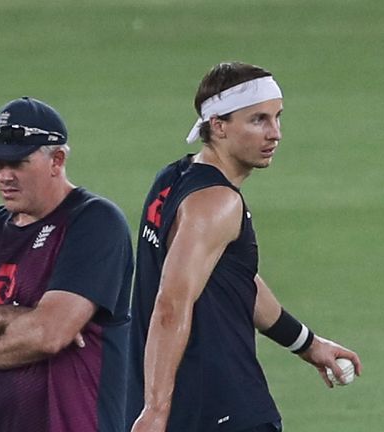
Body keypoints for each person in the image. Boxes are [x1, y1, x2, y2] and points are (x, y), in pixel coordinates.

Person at [125, 62, 362, 432]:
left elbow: (236, 281)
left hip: (189, 405)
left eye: (277, 117)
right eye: (258, 120)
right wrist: (155, 409)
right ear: (218, 125)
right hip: (220, 406)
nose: (275, 133)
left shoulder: (173, 178)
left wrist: (306, 343)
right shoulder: (217, 202)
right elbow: (171, 304)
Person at [0, 96, 134, 432]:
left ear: (57, 159)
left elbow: (48, 334)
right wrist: (6, 315)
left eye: (18, 163)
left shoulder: (94, 222)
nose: (4, 176)